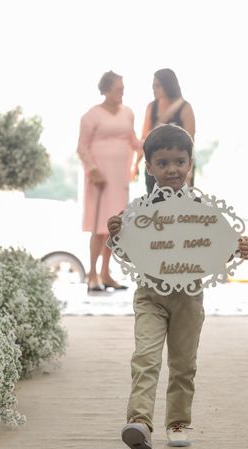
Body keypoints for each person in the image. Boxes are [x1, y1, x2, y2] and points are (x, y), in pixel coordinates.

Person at [108, 124, 248, 449]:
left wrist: (237, 247)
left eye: (179, 161)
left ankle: (178, 421)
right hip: (149, 295)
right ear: (149, 167)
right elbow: (126, 250)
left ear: (190, 164)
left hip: (188, 298)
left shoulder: (202, 211)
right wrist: (114, 233)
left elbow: (217, 248)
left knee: (184, 363)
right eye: (163, 163)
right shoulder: (139, 211)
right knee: (145, 357)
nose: (172, 169)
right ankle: (140, 421)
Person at [77, 71, 140, 292]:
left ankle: (106, 272)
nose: (121, 93)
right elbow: (82, 147)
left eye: (122, 89)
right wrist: (92, 169)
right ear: (106, 90)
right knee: (99, 226)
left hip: (119, 177)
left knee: (114, 226)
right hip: (100, 178)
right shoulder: (91, 115)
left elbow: (133, 140)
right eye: (117, 89)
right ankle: (92, 273)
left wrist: (151, 148)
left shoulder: (128, 113)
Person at [131, 68, 196, 194]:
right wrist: (136, 164)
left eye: (157, 86)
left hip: (179, 167)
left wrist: (189, 170)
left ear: (168, 85)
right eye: (153, 86)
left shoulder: (184, 107)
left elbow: (190, 140)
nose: (154, 89)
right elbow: (144, 138)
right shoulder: (151, 107)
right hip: (157, 165)